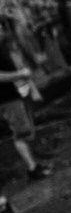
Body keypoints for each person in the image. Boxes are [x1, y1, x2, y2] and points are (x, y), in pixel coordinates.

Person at [0, 18, 51, 182]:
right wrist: (19, 74)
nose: (2, 31)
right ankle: (32, 169)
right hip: (6, 99)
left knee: (26, 129)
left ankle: (34, 163)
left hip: (16, 94)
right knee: (21, 133)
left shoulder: (4, 47)